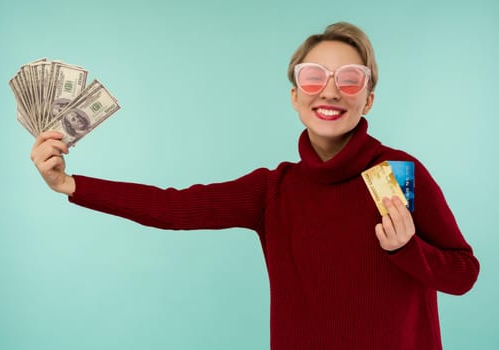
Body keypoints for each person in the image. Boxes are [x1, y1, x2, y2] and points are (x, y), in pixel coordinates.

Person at [30, 22, 479, 350]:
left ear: (368, 98)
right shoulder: (274, 190)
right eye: (314, 77)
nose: (330, 91)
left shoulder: (398, 174)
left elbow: (463, 274)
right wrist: (70, 184)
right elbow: (175, 208)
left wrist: (408, 250)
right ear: (295, 95)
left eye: (349, 80)